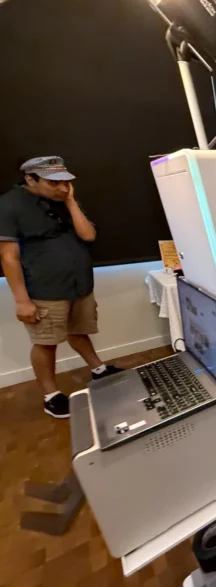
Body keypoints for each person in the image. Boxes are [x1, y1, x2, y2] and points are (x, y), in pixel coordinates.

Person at [0, 157, 122, 419]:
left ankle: (98, 369)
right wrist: (22, 301)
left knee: (78, 330)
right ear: (31, 179)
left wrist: (69, 201)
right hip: (45, 288)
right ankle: (50, 395)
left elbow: (88, 235)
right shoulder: (9, 205)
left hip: (79, 283)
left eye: (66, 182)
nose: (63, 188)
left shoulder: (65, 200)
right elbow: (9, 257)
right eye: (54, 183)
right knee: (46, 342)